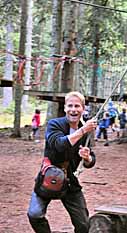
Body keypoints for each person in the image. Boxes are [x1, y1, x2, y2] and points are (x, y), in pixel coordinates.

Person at [27, 91, 97, 233]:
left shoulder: (86, 131)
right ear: (65, 108)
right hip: (48, 177)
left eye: (77, 106)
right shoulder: (54, 124)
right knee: (34, 214)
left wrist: (87, 158)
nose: (73, 109)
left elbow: (91, 159)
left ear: (83, 109)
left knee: (83, 224)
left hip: (70, 180)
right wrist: (83, 130)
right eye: (70, 105)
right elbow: (59, 144)